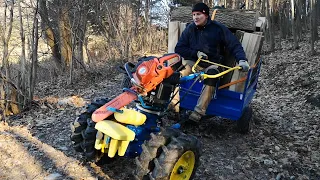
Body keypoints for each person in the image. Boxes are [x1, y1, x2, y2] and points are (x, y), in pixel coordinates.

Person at [171, 2, 249, 123]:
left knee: (212, 75)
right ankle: (174, 108)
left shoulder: (218, 29)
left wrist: (242, 59)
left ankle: (196, 115)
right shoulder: (190, 29)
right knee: (177, 74)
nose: (195, 17)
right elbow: (179, 48)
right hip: (194, 62)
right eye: (194, 15)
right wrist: (196, 53)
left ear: (206, 15)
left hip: (212, 64)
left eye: (199, 14)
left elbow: (234, 44)